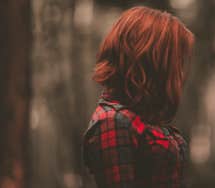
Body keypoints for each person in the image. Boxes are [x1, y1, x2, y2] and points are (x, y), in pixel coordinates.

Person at [82, 6, 195, 188]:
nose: (178, 71)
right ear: (150, 61)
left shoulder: (143, 116)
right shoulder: (112, 122)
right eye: (173, 61)